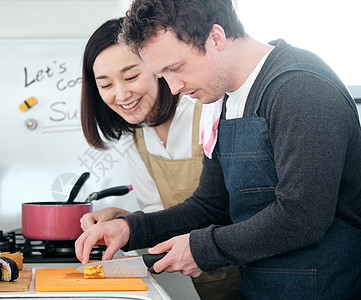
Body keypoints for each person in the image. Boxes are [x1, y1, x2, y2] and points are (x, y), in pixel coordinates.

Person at [75, 0, 361, 299]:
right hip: (264, 288)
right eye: (163, 74)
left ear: (215, 37)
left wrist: (202, 249)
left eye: (175, 68)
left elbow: (302, 216)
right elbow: (209, 206)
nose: (172, 88)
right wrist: (131, 229)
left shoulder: (301, 89)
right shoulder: (222, 100)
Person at [79, 18, 241, 299]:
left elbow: (223, 207)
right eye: (105, 85)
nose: (121, 94)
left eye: (130, 77)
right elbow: (163, 216)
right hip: (202, 280)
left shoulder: (205, 111)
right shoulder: (137, 137)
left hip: (246, 267)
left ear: (157, 69)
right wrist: (123, 220)